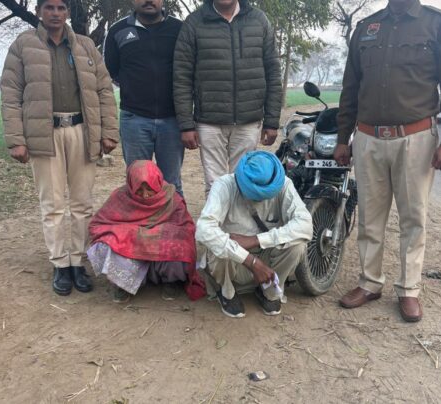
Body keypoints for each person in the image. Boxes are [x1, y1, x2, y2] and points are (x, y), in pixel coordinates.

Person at [334, 0, 441, 322]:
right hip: (368, 138)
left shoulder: (438, 24)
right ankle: (369, 283)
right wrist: (342, 137)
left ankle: (409, 290)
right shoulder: (366, 28)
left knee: (413, 218)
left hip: (415, 138)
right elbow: (350, 87)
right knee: (370, 217)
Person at [0, 0, 119, 296]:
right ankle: (60, 264)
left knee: (82, 202)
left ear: (67, 12)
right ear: (39, 11)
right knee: (52, 204)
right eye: (49, 7)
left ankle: (78, 261)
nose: (55, 13)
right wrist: (16, 139)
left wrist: (108, 131)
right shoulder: (23, 45)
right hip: (44, 134)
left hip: (81, 131)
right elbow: (11, 93)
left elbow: (104, 90)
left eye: (61, 8)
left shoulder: (85, 46)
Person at [173, 0, 282, 195]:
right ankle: (217, 216)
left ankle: (237, 217)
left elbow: (273, 72)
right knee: (215, 186)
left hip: (248, 121)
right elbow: (181, 76)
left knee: (243, 183)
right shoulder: (194, 23)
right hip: (209, 122)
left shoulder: (259, 20)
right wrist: (186, 125)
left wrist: (272, 121)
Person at [196, 151, 312, 318]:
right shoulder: (224, 185)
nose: (260, 200)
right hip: (233, 262)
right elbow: (203, 230)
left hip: (266, 260)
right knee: (217, 245)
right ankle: (227, 292)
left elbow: (305, 225)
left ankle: (269, 292)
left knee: (298, 245)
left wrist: (256, 240)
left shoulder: (284, 184)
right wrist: (251, 262)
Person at [88, 160, 205, 302]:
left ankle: (170, 281)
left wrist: (151, 235)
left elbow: (185, 227)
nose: (145, 195)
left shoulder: (170, 196)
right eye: (139, 190)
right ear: (131, 185)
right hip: (132, 247)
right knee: (105, 243)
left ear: (158, 183)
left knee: (181, 244)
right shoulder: (121, 197)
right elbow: (98, 225)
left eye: (150, 188)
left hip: (159, 248)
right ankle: (123, 284)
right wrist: (132, 234)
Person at [103, 0, 185, 195]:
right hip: (134, 119)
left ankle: (174, 216)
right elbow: (112, 70)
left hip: (172, 119)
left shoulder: (179, 29)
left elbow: (189, 68)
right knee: (138, 183)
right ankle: (140, 217)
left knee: (171, 183)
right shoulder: (118, 31)